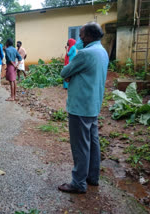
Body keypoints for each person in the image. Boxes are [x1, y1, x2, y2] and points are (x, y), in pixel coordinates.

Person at [58, 22, 109, 194]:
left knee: (80, 146)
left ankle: (78, 183)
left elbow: (65, 72)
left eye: (81, 34)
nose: (79, 37)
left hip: (80, 106)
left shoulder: (85, 53)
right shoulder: (102, 52)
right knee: (93, 143)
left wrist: (72, 74)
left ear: (89, 36)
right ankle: (92, 177)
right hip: (93, 105)